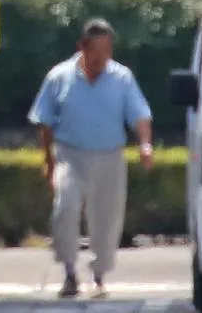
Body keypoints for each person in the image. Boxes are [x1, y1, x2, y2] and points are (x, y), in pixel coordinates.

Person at [27, 18, 154, 299]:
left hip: (110, 156)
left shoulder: (122, 78)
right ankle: (70, 272)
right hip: (70, 155)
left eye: (107, 50)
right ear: (82, 48)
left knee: (106, 218)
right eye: (96, 51)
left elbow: (140, 114)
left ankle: (98, 275)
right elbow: (45, 122)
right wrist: (48, 162)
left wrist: (145, 145)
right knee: (66, 208)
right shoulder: (59, 76)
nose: (102, 58)